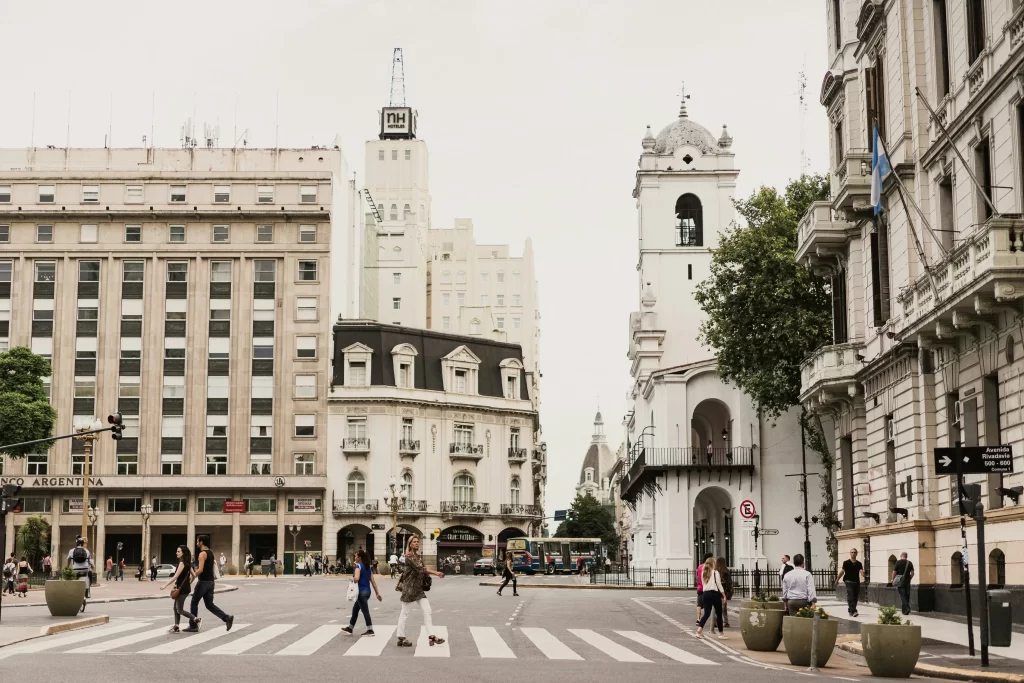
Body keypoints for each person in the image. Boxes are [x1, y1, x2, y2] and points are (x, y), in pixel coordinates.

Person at [395, 536, 445, 648]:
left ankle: (431, 636)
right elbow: (420, 569)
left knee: (427, 610)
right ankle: (401, 637)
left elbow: (422, 570)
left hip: (418, 589)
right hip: (409, 588)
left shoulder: (417, 556)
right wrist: (436, 573)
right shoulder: (408, 556)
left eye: (418, 542)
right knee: (405, 613)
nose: (417, 543)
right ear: (410, 544)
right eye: (414, 542)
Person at [185, 534, 234, 633]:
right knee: (209, 604)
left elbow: (201, 569)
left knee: (194, 602)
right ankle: (227, 618)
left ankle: (193, 625)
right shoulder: (211, 552)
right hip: (211, 582)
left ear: (201, 542)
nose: (196, 543)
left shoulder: (202, 554)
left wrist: (191, 577)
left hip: (203, 582)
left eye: (198, 541)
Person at [343, 549, 382, 637]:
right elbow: (373, 582)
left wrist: (351, 579)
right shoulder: (368, 568)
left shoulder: (358, 566)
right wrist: (377, 593)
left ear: (359, 558)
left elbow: (356, 578)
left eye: (356, 556)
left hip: (360, 593)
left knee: (365, 611)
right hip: (367, 592)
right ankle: (350, 628)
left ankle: (370, 629)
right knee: (355, 609)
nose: (355, 557)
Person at [161, 545, 196, 633]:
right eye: (177, 551)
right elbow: (194, 575)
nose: (176, 553)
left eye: (178, 551)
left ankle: (195, 618)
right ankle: (176, 626)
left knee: (179, 609)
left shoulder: (182, 563)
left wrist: (165, 585)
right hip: (185, 588)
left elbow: (175, 576)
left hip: (181, 589)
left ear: (183, 553)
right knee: (175, 608)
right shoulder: (188, 563)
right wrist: (189, 583)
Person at [696, 557, 727, 639]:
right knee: (719, 613)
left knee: (706, 614)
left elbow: (703, 584)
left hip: (705, 594)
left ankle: (699, 630)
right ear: (713, 563)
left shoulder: (703, 573)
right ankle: (721, 633)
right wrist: (724, 595)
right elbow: (719, 584)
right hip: (714, 594)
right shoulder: (715, 572)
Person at [835, 547, 865, 617]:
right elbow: (842, 571)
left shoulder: (859, 563)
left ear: (856, 554)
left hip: (856, 582)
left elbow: (861, 571)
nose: (853, 553)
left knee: (855, 596)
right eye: (852, 552)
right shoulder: (846, 563)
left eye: (854, 552)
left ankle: (850, 609)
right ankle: (854, 611)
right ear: (850, 553)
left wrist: (863, 574)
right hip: (848, 581)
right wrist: (837, 579)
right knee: (851, 595)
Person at [716, 557, 733, 628]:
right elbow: (729, 582)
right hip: (724, 591)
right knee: (724, 608)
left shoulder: (715, 570)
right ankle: (725, 622)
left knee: (715, 607)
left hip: (716, 591)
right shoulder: (726, 570)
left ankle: (715, 622)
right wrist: (729, 590)